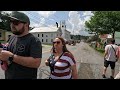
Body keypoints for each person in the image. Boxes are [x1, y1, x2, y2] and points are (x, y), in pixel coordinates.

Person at [0, 11, 42, 79]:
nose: (12, 25)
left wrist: (11, 57)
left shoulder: (34, 40)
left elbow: (36, 63)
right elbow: (6, 53)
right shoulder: (11, 38)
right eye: (11, 21)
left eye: (16, 22)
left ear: (26, 25)